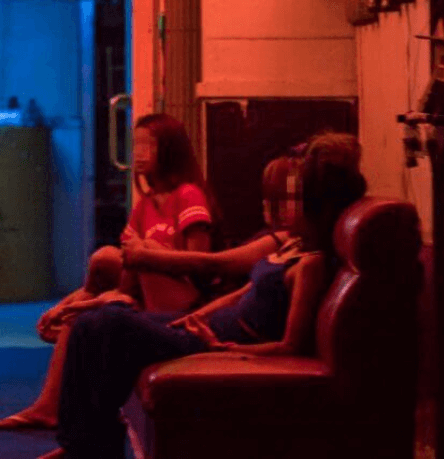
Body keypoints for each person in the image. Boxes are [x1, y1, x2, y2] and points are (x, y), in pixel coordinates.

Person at [39, 132, 367, 459]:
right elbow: (243, 291)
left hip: (215, 339)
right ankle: (83, 446)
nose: (283, 206)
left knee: (105, 326)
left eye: (295, 198)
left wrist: (221, 348)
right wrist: (199, 315)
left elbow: (290, 346)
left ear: (314, 205)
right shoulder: (289, 244)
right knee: (91, 322)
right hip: (203, 324)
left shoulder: (312, 264)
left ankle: (84, 449)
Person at [0, 113, 214, 430]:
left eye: (147, 145)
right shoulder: (145, 204)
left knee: (123, 255)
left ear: (169, 150)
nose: (137, 153)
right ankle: (48, 406)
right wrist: (67, 306)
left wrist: (152, 255)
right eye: (134, 144)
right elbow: (126, 279)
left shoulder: (188, 195)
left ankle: (85, 307)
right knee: (94, 282)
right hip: (143, 297)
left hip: (184, 306)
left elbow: (200, 266)